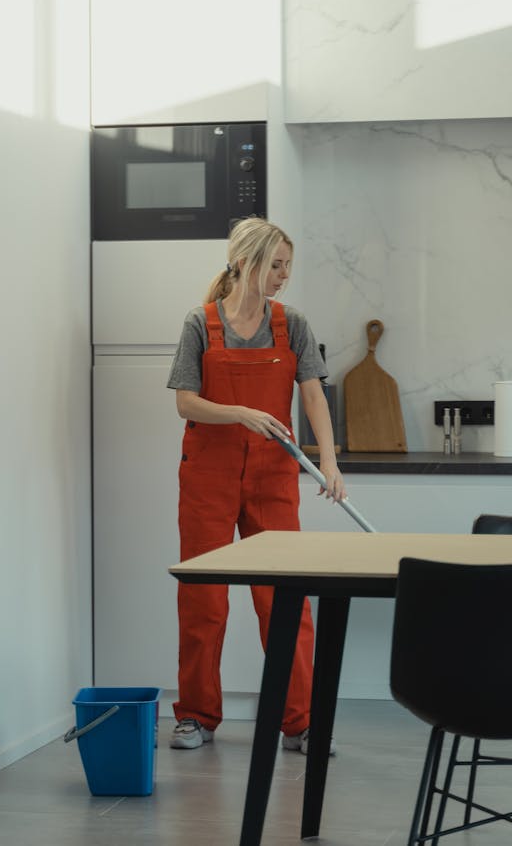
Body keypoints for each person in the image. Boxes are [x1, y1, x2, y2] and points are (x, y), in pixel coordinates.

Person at [167, 217, 346, 752]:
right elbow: (184, 401)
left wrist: (331, 462)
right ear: (245, 263)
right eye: (276, 264)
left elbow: (313, 394)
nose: (284, 275)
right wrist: (240, 412)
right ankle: (196, 715)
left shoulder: (292, 324)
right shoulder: (201, 324)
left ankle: (302, 721)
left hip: (273, 476)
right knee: (204, 599)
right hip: (209, 477)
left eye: (288, 265)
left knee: (284, 599)